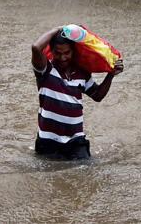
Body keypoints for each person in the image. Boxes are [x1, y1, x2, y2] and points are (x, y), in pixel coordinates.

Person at [30, 26, 124, 160]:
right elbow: (35, 47)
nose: (62, 58)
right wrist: (59, 29)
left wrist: (111, 75)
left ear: (73, 51)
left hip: (76, 141)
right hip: (48, 142)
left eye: (67, 53)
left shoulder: (82, 73)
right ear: (51, 51)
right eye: (58, 53)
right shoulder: (45, 70)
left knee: (85, 170)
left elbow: (97, 96)